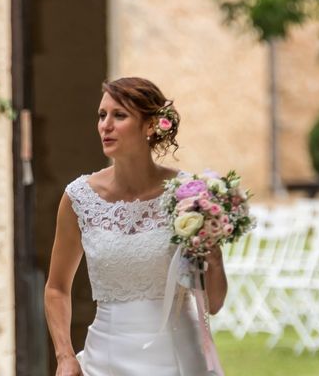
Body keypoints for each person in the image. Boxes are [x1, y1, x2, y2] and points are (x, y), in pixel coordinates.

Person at [44, 77, 228, 376]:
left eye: (119, 115)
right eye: (102, 115)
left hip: (178, 357)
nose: (106, 125)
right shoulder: (79, 198)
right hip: (105, 358)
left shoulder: (190, 196)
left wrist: (215, 260)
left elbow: (214, 303)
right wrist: (65, 356)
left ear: (151, 126)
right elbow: (56, 288)